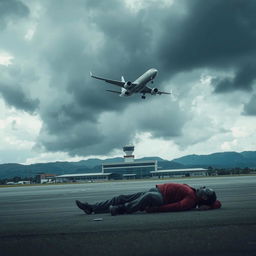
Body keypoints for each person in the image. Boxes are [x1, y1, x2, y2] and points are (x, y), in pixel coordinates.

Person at [75, 182, 221, 216]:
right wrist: (212, 205)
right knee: (119, 197)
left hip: (159, 198)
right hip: (155, 190)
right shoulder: (195, 193)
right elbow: (217, 203)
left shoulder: (191, 200)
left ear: (204, 196)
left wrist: (156, 209)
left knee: (149, 196)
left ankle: (122, 209)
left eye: (206, 189)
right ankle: (92, 208)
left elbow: (175, 206)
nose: (203, 187)